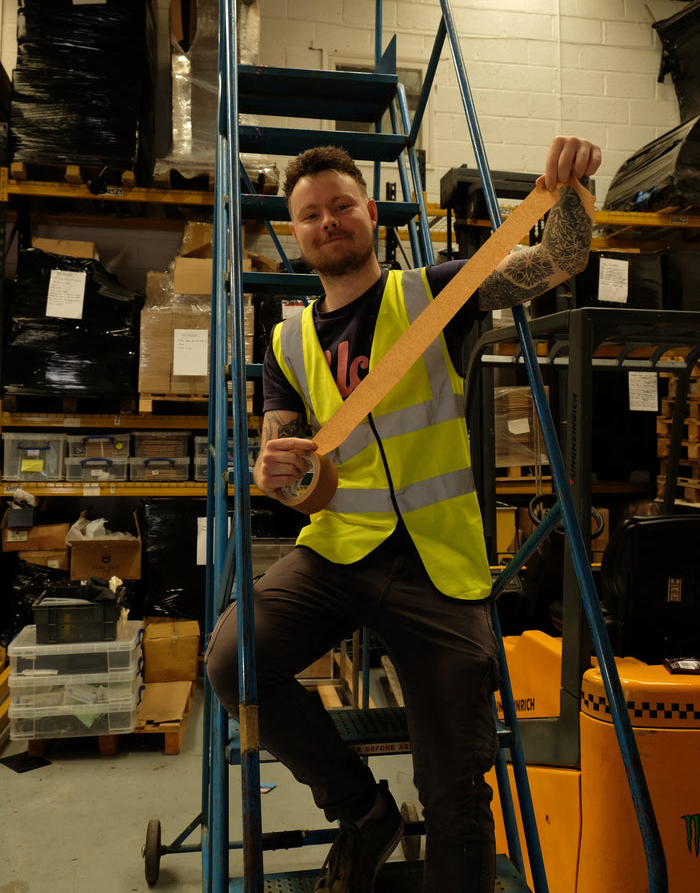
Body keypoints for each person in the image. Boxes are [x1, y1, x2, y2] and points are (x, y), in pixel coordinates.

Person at [205, 135, 601, 893]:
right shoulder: (285, 344)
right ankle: (363, 812)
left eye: (341, 205)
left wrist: (577, 188)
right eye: (311, 213)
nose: (328, 221)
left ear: (372, 212)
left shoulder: (433, 295)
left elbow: (554, 262)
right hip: (334, 555)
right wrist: (273, 470)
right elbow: (286, 465)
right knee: (233, 662)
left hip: (437, 570)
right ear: (296, 233)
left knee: (456, 791)